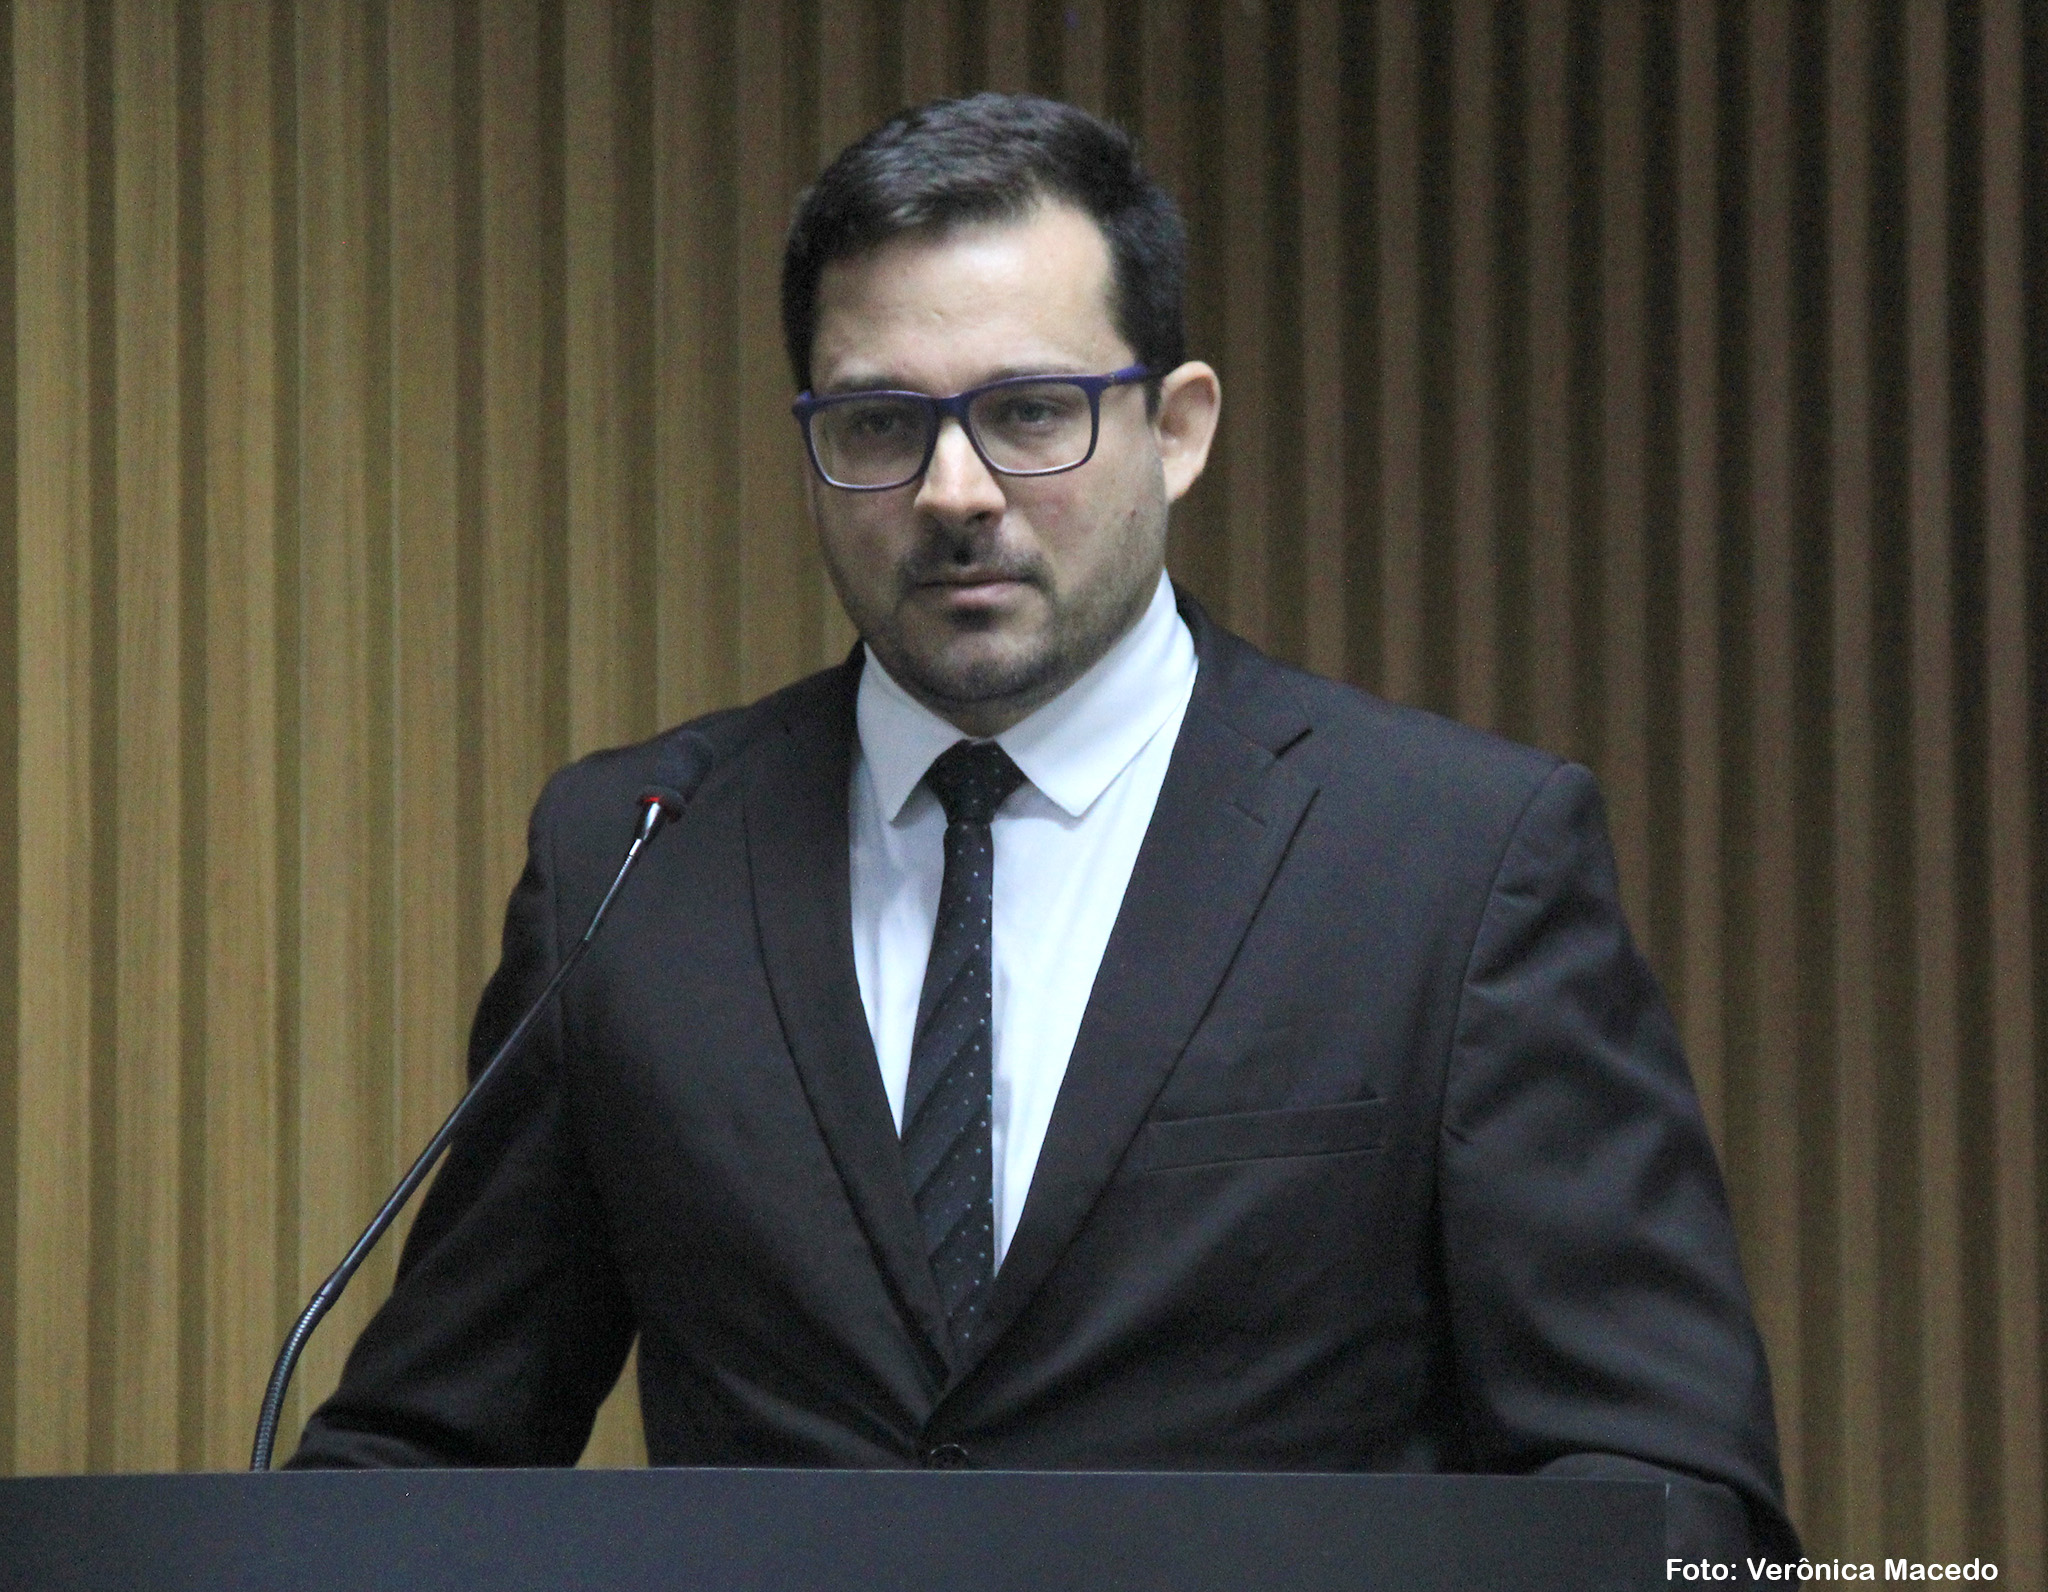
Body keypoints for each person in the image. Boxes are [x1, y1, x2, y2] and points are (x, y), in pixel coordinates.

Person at [293, 92, 1798, 1561]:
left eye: (1029, 413)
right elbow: (425, 1454)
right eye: (880, 423)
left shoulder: (1451, 862)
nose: (953, 493)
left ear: (1178, 429)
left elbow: (1667, 1496)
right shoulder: (636, 861)